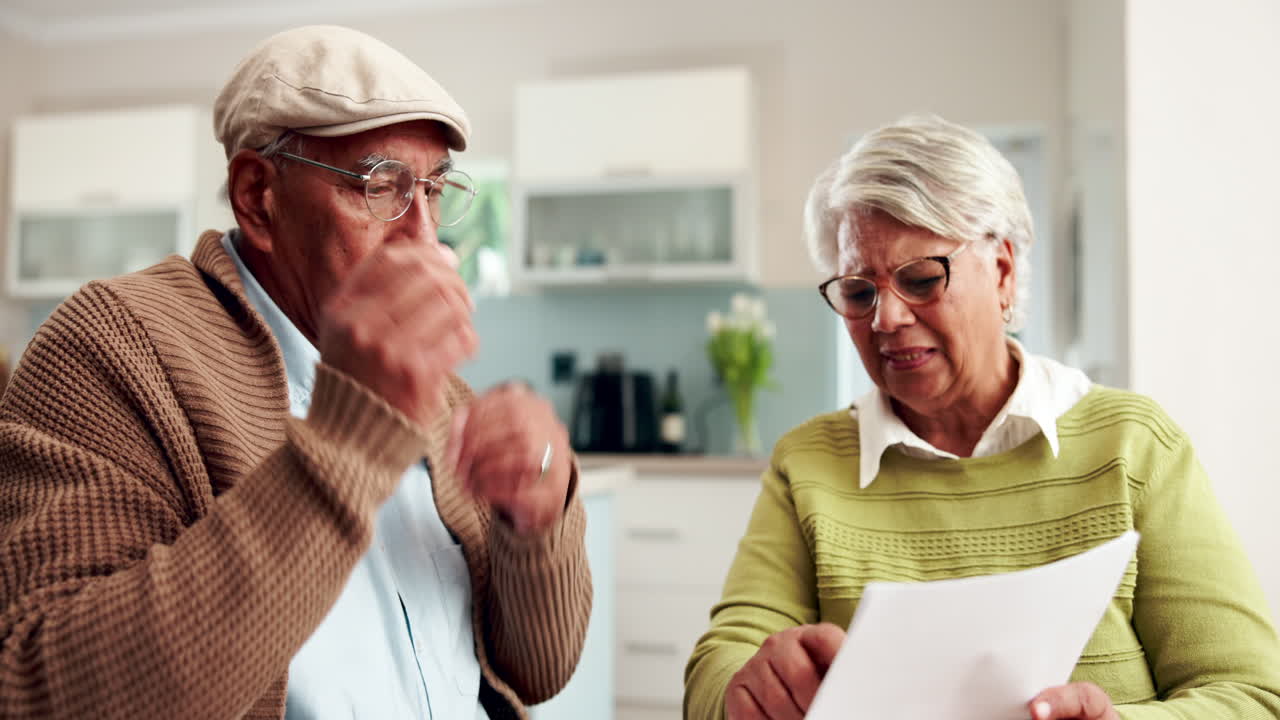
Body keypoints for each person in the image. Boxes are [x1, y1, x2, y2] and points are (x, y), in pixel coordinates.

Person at [0, 25, 590, 719]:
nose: (425, 239)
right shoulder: (114, 343)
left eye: (432, 191)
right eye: (379, 187)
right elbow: (48, 696)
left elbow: (539, 669)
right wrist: (351, 436)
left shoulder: (441, 393)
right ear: (258, 197)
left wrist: (537, 521)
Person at [684, 114, 1280, 720]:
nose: (885, 319)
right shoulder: (807, 463)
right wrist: (745, 689)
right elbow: (717, 670)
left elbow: (1250, 695)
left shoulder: (1133, 446)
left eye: (920, 280)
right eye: (860, 292)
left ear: (1003, 272)